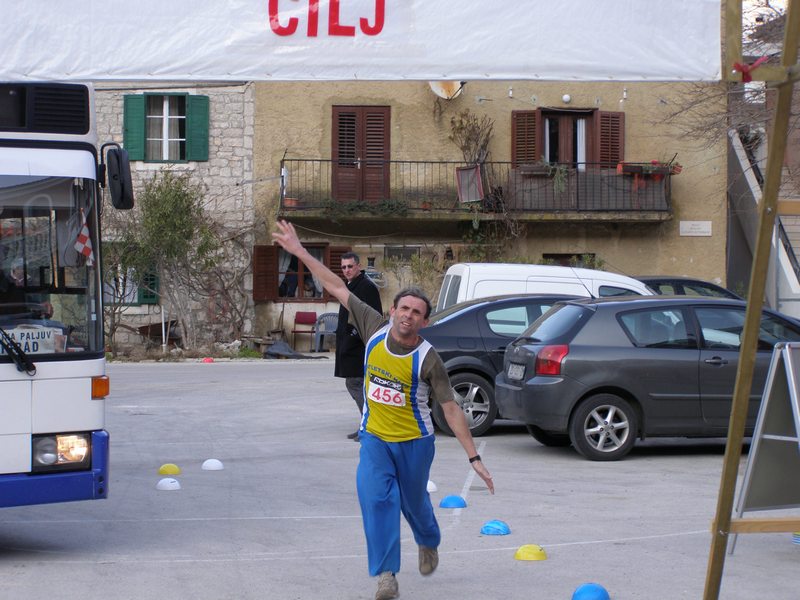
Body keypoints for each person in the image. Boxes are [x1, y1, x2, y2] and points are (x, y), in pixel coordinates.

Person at [272, 220, 494, 600]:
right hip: (374, 439)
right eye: (403, 308)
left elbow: (451, 409)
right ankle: (387, 575)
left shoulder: (428, 359)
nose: (408, 315)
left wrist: (473, 456)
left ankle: (428, 541)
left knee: (415, 504)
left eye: (416, 312)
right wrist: (300, 252)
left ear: (424, 321)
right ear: (392, 311)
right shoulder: (373, 327)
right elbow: (336, 286)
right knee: (376, 500)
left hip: (414, 444)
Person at [336, 251, 382, 441]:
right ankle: (367, 424)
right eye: (344, 267)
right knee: (357, 384)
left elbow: (373, 316)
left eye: (350, 266)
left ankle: (370, 426)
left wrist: (353, 338)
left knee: (355, 383)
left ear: (358, 266)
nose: (347, 270)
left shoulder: (366, 287)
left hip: (359, 346)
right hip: (349, 344)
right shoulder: (350, 285)